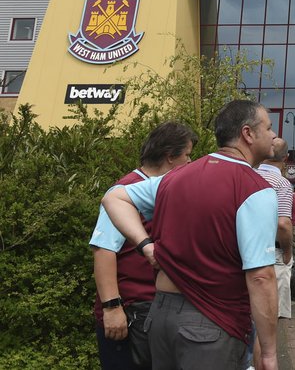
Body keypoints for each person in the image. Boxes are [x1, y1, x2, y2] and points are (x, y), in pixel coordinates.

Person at [100, 100, 280, 370]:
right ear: (248, 134)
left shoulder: (175, 177)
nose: (273, 135)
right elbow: (260, 276)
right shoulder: (255, 188)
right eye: (268, 128)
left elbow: (114, 197)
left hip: (160, 317)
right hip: (212, 323)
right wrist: (268, 352)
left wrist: (146, 246)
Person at [90, 121, 196, 370]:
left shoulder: (159, 190)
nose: (191, 162)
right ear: (170, 157)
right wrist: (112, 308)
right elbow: (104, 250)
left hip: (149, 312)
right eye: (187, 155)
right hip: (128, 314)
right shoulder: (125, 192)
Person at [255, 137, 294, 320]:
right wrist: (288, 251)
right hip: (272, 249)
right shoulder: (282, 184)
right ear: (285, 159)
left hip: (245, 246)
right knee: (270, 310)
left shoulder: (248, 175)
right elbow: (283, 223)